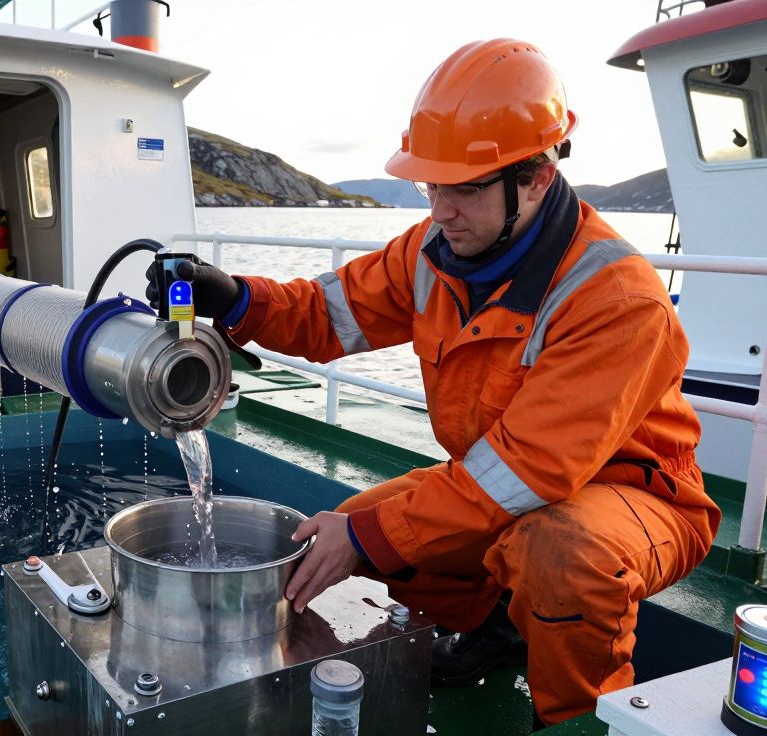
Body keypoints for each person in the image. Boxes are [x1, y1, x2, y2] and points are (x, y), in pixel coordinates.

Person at [148, 39, 721, 727]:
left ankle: (584, 719)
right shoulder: (433, 251)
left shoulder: (614, 297)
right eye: (432, 185)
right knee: (342, 534)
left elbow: (527, 470)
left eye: (467, 188)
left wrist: (370, 535)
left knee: (557, 551)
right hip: (501, 482)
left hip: (635, 498)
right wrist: (236, 297)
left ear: (537, 177)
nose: (442, 209)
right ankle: (502, 623)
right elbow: (327, 315)